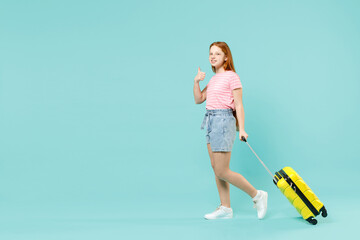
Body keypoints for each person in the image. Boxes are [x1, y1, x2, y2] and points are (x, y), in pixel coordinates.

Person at [193, 41, 268, 220]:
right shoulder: (212, 79)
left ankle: (257, 195)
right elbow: (199, 99)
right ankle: (226, 208)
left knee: (221, 170)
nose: (213, 56)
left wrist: (241, 129)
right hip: (211, 120)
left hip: (223, 120)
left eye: (217, 54)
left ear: (226, 57)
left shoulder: (231, 76)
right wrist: (196, 81)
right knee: (215, 167)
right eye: (211, 53)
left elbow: (239, 105)